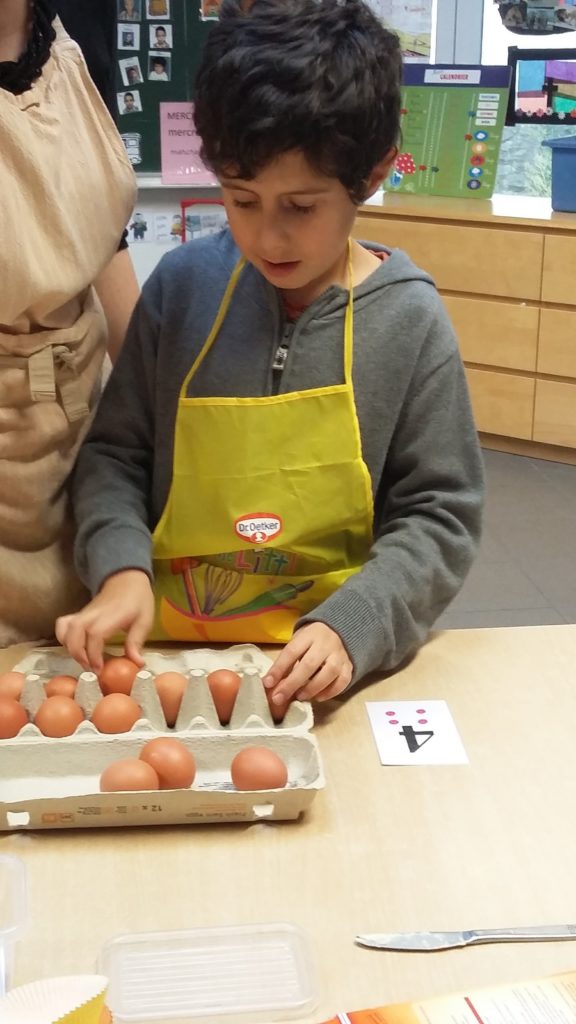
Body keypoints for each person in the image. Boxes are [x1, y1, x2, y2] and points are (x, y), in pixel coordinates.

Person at [57, 0, 484, 708]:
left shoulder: (410, 320)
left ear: (374, 173)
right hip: (167, 659)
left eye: (302, 206)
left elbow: (440, 514)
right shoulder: (181, 291)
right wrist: (120, 566)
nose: (268, 238)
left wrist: (357, 623)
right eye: (241, 200)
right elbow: (115, 457)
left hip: (330, 672)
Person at [0, 0, 139, 647]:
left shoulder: (80, 16)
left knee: (83, 663)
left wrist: (151, 403)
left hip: (83, 438)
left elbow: (98, 236)